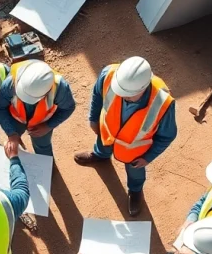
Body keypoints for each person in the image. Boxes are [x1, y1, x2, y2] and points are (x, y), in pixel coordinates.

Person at [73, 56, 177, 217]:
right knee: (101, 146)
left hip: (135, 154)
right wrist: (93, 119)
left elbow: (167, 136)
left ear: (143, 88)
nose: (121, 96)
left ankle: (135, 192)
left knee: (136, 173)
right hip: (106, 133)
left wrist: (147, 158)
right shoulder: (109, 74)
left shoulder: (162, 103)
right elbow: (97, 96)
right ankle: (100, 156)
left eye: (127, 95)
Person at [0, 59, 76, 158]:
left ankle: (47, 166)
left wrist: (48, 126)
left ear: (47, 91)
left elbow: (68, 108)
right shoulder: (11, 83)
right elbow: (0, 107)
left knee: (43, 146)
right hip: (16, 118)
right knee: (13, 144)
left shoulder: (60, 87)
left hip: (42, 122)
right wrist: (11, 133)